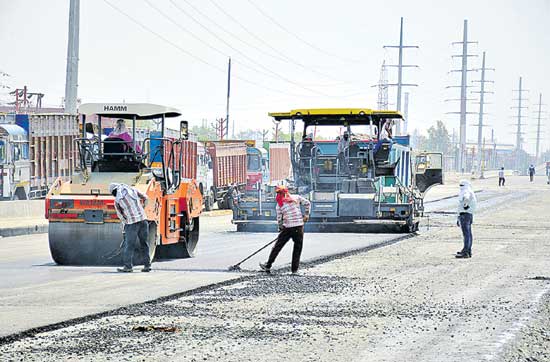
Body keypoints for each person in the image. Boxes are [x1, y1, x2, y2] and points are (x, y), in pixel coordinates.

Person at [260, 186, 311, 275]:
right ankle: (294, 270)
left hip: (287, 228)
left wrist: (280, 228)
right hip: (299, 227)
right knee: (297, 248)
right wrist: (306, 215)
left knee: (277, 246)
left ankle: (268, 265)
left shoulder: (279, 205)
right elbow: (307, 203)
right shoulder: (296, 198)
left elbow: (279, 219)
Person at [109, 183, 151, 272]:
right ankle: (147, 265)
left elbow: (121, 216)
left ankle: (128, 267)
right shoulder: (133, 190)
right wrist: (142, 209)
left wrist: (124, 229)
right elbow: (146, 198)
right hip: (143, 220)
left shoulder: (117, 201)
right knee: (144, 243)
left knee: (129, 245)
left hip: (131, 224)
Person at [456, 180, 477, 259]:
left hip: (465, 215)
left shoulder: (466, 191)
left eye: (461, 185)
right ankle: (468, 250)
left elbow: (466, 198)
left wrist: (465, 205)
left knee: (466, 234)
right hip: (468, 215)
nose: (460, 187)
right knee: (468, 234)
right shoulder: (469, 190)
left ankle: (465, 252)